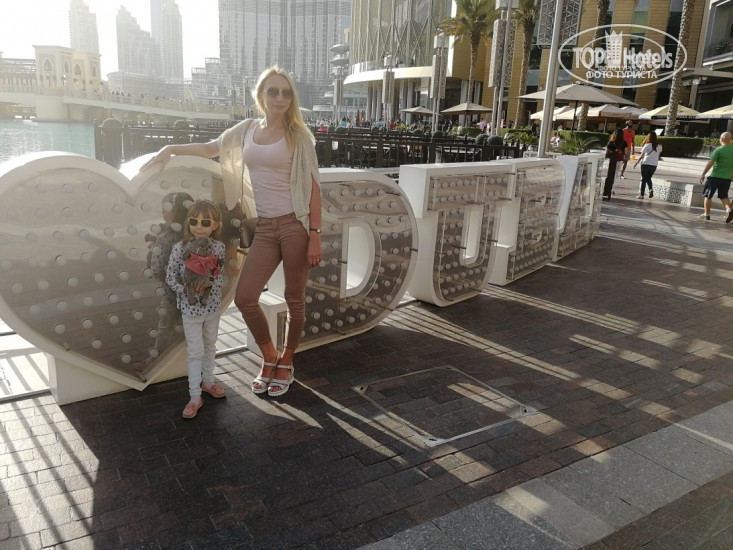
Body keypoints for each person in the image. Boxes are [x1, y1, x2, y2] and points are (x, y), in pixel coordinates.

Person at [144, 65, 322, 398]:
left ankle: (286, 361)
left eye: (286, 92)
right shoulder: (247, 129)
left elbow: (313, 188)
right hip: (265, 227)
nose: (280, 98)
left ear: (292, 98)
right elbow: (211, 148)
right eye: (273, 91)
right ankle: (269, 356)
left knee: (294, 299)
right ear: (261, 95)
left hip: (295, 225)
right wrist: (171, 149)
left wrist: (315, 234)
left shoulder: (299, 136)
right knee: (245, 298)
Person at [165, 199, 227, 419]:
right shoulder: (180, 248)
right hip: (190, 310)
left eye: (205, 222)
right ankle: (194, 396)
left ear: (215, 225)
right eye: (194, 221)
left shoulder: (219, 247)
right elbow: (170, 276)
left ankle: (208, 382)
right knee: (195, 352)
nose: (199, 226)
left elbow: (218, 275)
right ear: (188, 222)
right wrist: (185, 290)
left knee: (210, 346)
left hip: (212, 307)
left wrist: (208, 287)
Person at [146, 192, 194, 362]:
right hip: (194, 292)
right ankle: (186, 358)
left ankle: (157, 360)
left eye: (165, 208)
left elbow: (156, 268)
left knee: (165, 326)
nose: (162, 212)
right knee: (191, 325)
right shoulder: (196, 235)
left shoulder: (165, 238)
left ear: (175, 212)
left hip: (170, 293)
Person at [698, 131, 733, 222]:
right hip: (727, 178)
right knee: (724, 196)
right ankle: (728, 210)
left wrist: (703, 174)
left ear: (721, 139)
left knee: (708, 195)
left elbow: (710, 163)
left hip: (715, 177)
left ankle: (706, 214)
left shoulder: (718, 150)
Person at [633, 132, 662, 199]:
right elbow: (658, 155)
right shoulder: (659, 145)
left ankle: (642, 195)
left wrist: (636, 163)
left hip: (646, 163)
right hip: (654, 164)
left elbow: (641, 156)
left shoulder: (647, 145)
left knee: (644, 179)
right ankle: (650, 189)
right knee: (648, 178)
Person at [603, 129, 627, 201]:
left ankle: (607, 189)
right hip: (619, 160)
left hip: (611, 161)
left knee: (609, 175)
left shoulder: (611, 142)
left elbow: (606, 152)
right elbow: (625, 153)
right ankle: (612, 189)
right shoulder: (624, 143)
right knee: (616, 174)